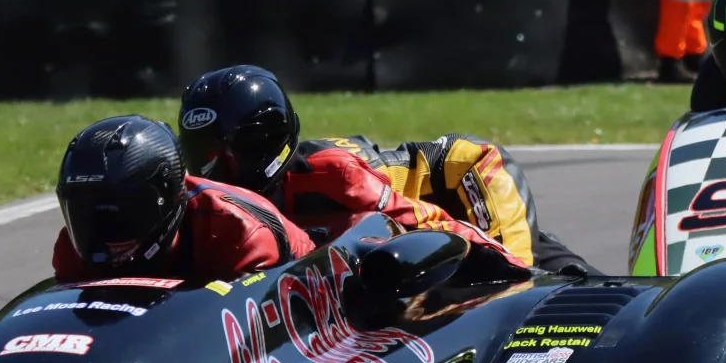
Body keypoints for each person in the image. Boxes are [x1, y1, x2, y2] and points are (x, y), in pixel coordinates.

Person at [177, 65, 591, 275]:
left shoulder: (336, 177)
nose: (215, 170)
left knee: (524, 288)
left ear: (270, 139)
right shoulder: (197, 203)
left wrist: (511, 270)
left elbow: (433, 224)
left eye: (230, 153)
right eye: (201, 153)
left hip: (466, 187)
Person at [52, 114, 314, 284]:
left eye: (118, 215)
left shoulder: (239, 235)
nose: (105, 238)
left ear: (166, 200)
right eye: (87, 215)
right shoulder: (74, 248)